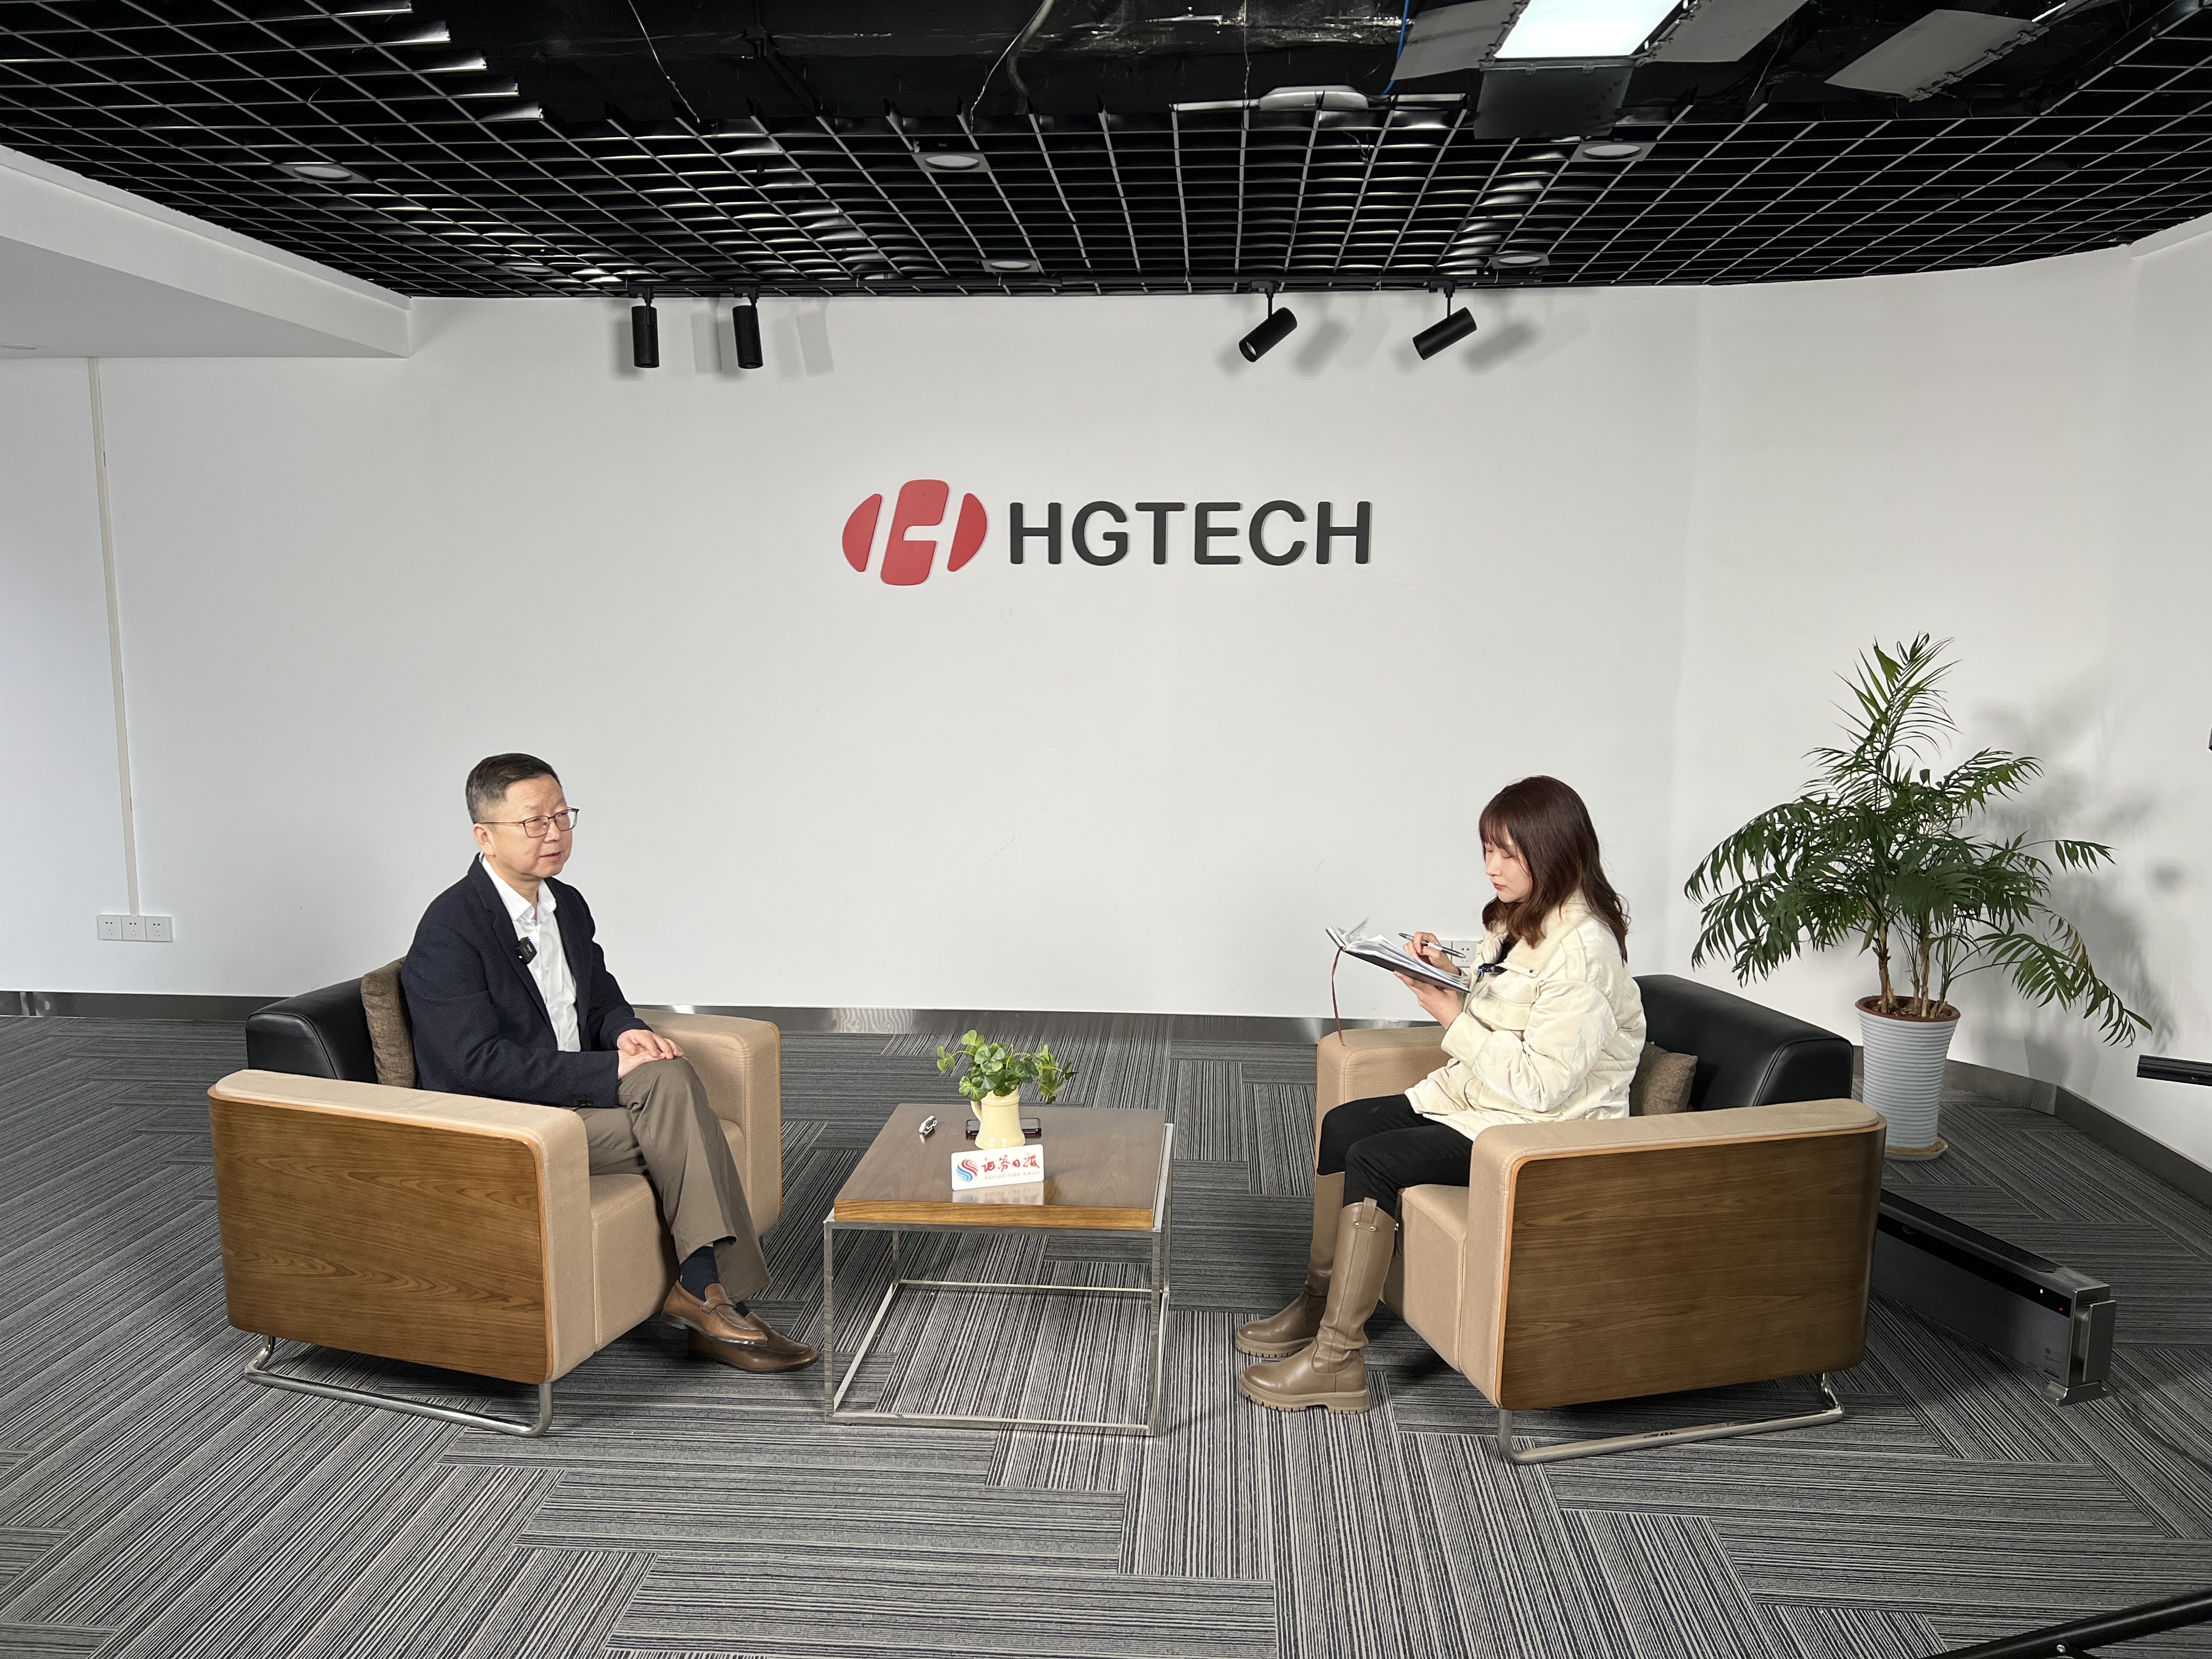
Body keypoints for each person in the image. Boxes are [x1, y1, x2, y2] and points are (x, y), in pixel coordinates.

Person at [1236, 775, 1646, 1414]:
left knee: (1376, 1160)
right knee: (1345, 1126)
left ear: (1553, 852)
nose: (1491, 868)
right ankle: (1319, 1306)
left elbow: (1543, 1087)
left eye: (1507, 853)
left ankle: (1337, 1361)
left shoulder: (1584, 954)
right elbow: (1509, 997)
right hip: (1483, 1102)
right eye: (1487, 850)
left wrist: (1451, 1015)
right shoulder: (1526, 919)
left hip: (1538, 1131)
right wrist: (1452, 972)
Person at [402, 753, 816, 1374]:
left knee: (669, 1073)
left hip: (573, 1101)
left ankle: (703, 1294)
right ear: (484, 836)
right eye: (533, 822)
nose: (553, 833)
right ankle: (715, 1303)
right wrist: (607, 1072)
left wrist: (626, 1033)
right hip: (509, 1121)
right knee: (688, 1126)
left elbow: (600, 999)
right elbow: (474, 1065)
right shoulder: (450, 929)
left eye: (561, 816)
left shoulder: (565, 904)